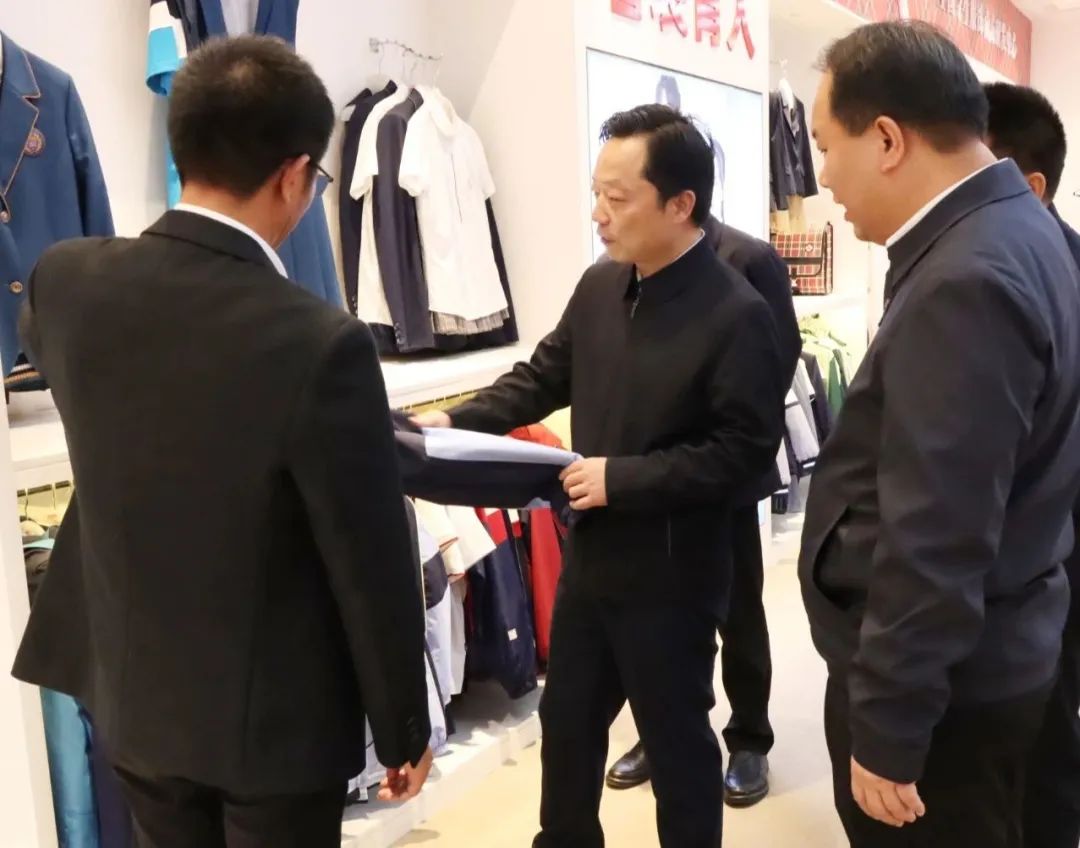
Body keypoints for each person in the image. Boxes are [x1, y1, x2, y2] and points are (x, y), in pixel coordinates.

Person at [11, 36, 433, 848]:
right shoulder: (319, 341)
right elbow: (368, 556)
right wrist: (403, 728)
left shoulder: (66, 282)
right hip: (273, 723)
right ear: (293, 175)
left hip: (132, 691)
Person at [413, 104, 787, 848]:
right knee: (568, 727)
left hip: (675, 575)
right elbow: (540, 378)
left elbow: (746, 452)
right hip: (592, 561)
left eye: (617, 199)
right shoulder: (600, 287)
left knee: (677, 744)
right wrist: (455, 420)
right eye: (596, 194)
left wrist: (626, 479)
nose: (598, 215)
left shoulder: (737, 313)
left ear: (680, 204)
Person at [800, 21, 1080, 848]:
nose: (823, 176)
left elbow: (938, 533)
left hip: (952, 691)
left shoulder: (967, 276)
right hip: (1001, 647)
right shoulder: (1023, 229)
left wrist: (890, 722)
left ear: (887, 140)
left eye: (827, 147)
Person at [605, 218, 801, 807]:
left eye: (622, 195)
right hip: (651, 476)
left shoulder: (748, 258)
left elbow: (779, 356)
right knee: (659, 614)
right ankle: (662, 728)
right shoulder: (627, 265)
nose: (606, 212)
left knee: (737, 609)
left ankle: (750, 737)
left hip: (722, 477)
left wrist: (725, 440)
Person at [984, 81, 1080, 848]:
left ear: (1032, 185)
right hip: (985, 565)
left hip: (1054, 552)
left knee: (1049, 729)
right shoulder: (962, 260)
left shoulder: (1063, 274)